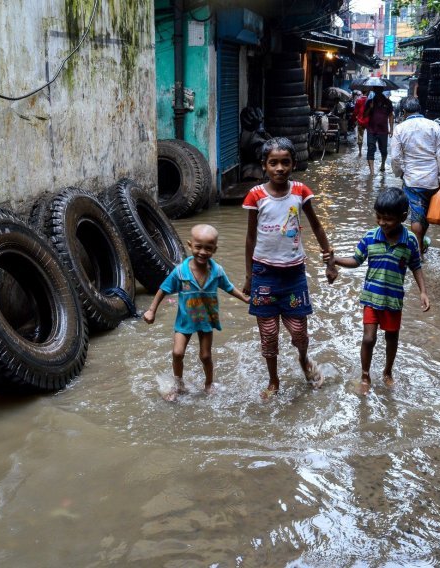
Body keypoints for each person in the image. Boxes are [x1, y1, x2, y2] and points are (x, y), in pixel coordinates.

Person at [242, 137, 339, 399]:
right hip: (264, 273)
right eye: (273, 163)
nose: (280, 168)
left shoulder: (301, 192)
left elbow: (317, 226)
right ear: (264, 166)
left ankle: (303, 358)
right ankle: (274, 380)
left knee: (299, 332)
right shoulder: (256, 195)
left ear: (293, 164)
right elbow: (250, 238)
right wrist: (249, 276)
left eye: (285, 162)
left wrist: (329, 260)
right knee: (269, 334)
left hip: (294, 273)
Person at [325, 188, 430, 394]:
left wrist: (423, 292)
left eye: (388, 219)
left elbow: (416, 266)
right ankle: (365, 375)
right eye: (379, 217)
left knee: (392, 337)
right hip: (371, 297)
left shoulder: (409, 241)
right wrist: (335, 260)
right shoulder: (370, 237)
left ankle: (387, 372)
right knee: (368, 338)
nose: (382, 223)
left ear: (402, 217)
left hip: (393, 300)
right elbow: (356, 261)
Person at [144, 224, 250, 401]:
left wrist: (244, 298)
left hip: (206, 320)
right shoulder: (180, 272)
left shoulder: (217, 271)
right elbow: (163, 289)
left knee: (206, 355)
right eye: (198, 247)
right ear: (189, 245)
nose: (203, 252)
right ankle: (179, 385)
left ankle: (209, 383)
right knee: (177, 353)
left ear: (215, 249)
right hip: (185, 321)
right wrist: (151, 310)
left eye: (208, 248)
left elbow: (229, 288)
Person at [389, 97, 440, 254]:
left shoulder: (400, 128)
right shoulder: (434, 126)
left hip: (413, 179)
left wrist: (400, 172)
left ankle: (418, 250)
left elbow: (395, 157)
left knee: (416, 215)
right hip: (432, 180)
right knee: (426, 213)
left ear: (403, 112)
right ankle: (421, 244)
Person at [364, 88, 394, 174]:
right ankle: (372, 172)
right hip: (371, 129)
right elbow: (365, 115)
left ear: (382, 90)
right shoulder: (370, 101)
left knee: (383, 150)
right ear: (374, 91)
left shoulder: (388, 102)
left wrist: (391, 129)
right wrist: (370, 108)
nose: (377, 91)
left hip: (383, 130)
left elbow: (391, 116)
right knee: (370, 149)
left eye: (379, 90)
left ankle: (383, 164)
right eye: (376, 90)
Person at [352, 90, 369, 156]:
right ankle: (369, 151)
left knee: (360, 136)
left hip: (360, 121)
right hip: (368, 121)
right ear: (367, 92)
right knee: (370, 136)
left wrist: (353, 120)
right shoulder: (369, 100)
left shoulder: (358, 100)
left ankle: (360, 152)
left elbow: (355, 111)